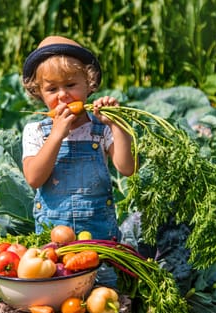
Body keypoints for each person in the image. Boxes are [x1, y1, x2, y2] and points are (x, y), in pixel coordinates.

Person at [21, 35, 135, 243]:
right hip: (53, 242)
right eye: (52, 89)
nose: (63, 95)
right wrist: (56, 136)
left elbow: (127, 167)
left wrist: (116, 124)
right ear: (39, 93)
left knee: (105, 276)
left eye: (71, 84)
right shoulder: (35, 130)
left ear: (89, 84)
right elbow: (34, 178)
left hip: (101, 239)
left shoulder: (100, 129)